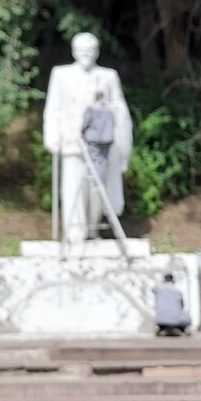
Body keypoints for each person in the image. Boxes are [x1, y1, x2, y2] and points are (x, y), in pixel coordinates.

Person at [43, 32, 132, 251]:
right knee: (73, 187)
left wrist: (114, 119)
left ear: (97, 52)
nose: (86, 54)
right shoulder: (61, 74)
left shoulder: (108, 76)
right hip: (71, 141)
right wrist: (52, 137)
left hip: (101, 143)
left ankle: (92, 229)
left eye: (90, 50)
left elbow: (120, 106)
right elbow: (53, 107)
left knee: (97, 188)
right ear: (74, 52)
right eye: (82, 50)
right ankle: (74, 232)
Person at [82, 91, 115, 183]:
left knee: (95, 159)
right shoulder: (109, 109)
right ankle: (101, 181)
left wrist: (81, 131)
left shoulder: (91, 108)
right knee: (103, 161)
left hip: (93, 138)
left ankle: (97, 182)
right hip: (107, 139)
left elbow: (86, 122)